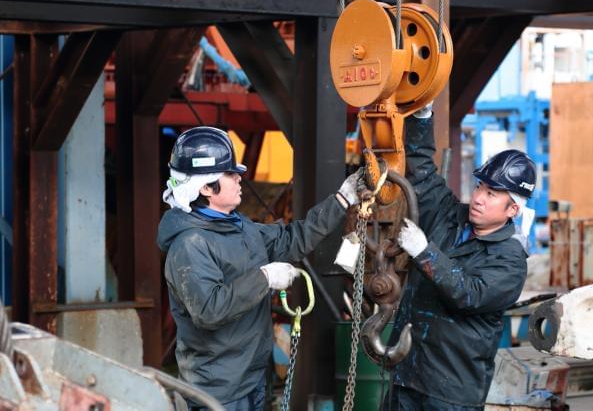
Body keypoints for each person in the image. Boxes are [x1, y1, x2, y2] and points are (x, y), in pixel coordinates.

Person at [157, 126, 362, 410]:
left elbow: (293, 240)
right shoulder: (190, 245)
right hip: (218, 392)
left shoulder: (241, 228)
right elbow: (209, 310)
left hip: (253, 379)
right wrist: (265, 277)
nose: (239, 177)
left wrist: (341, 201)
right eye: (229, 173)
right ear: (205, 187)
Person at [384, 109, 537, 410]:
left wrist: (424, 252)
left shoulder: (510, 260)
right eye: (480, 186)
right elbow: (423, 172)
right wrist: (422, 116)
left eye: (492, 193)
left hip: (450, 392)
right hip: (406, 375)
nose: (479, 197)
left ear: (512, 211)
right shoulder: (448, 215)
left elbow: (468, 294)